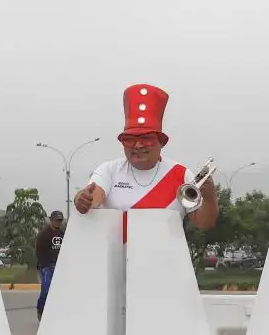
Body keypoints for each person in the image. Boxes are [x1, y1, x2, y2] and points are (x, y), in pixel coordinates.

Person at [72, 84, 218, 234]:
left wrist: (210, 198)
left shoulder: (181, 174)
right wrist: (82, 200)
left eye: (147, 138)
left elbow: (204, 223)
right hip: (114, 256)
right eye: (129, 139)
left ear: (162, 142)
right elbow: (93, 195)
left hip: (164, 255)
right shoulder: (109, 170)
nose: (138, 145)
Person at [33, 211, 66, 317]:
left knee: (60, 291)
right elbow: (38, 251)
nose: (58, 223)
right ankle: (40, 309)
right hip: (46, 266)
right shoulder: (44, 234)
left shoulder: (62, 234)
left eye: (60, 221)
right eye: (57, 220)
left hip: (59, 266)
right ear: (51, 220)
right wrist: (44, 265)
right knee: (46, 289)